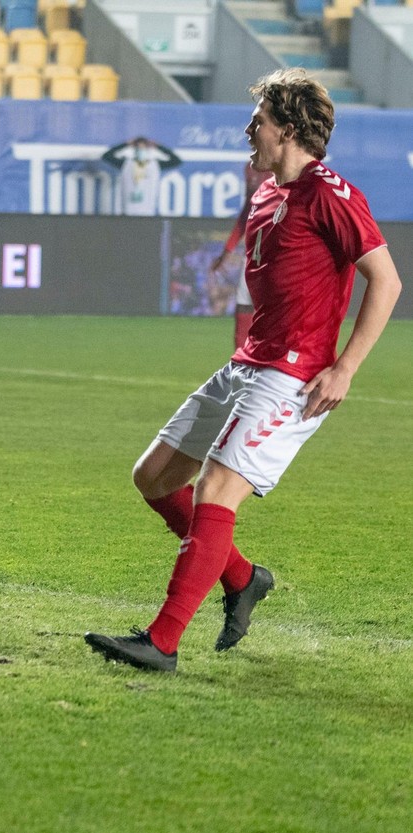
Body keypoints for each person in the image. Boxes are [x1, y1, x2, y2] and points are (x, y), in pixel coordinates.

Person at [85, 68, 402, 672]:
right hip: (246, 363)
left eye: (258, 120)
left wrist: (345, 369)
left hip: (295, 377)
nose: (249, 130)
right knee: (152, 476)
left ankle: (162, 643)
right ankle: (242, 577)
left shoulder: (331, 193)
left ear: (286, 128)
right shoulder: (266, 193)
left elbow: (385, 282)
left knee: (216, 491)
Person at [211, 161, 269, 348]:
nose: (249, 180)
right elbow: (243, 221)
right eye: (248, 178)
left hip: (278, 257)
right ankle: (240, 357)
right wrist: (226, 253)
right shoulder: (254, 188)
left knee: (276, 310)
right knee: (243, 303)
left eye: (253, 178)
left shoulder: (283, 184)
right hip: (255, 255)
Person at [101, 136, 182, 216]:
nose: (141, 150)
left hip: (148, 211)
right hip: (128, 211)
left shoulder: (155, 164)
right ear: (134, 149)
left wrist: (159, 146)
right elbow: (107, 156)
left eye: (143, 148)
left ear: (148, 149)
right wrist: (126, 144)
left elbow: (176, 161)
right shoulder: (126, 163)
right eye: (138, 148)